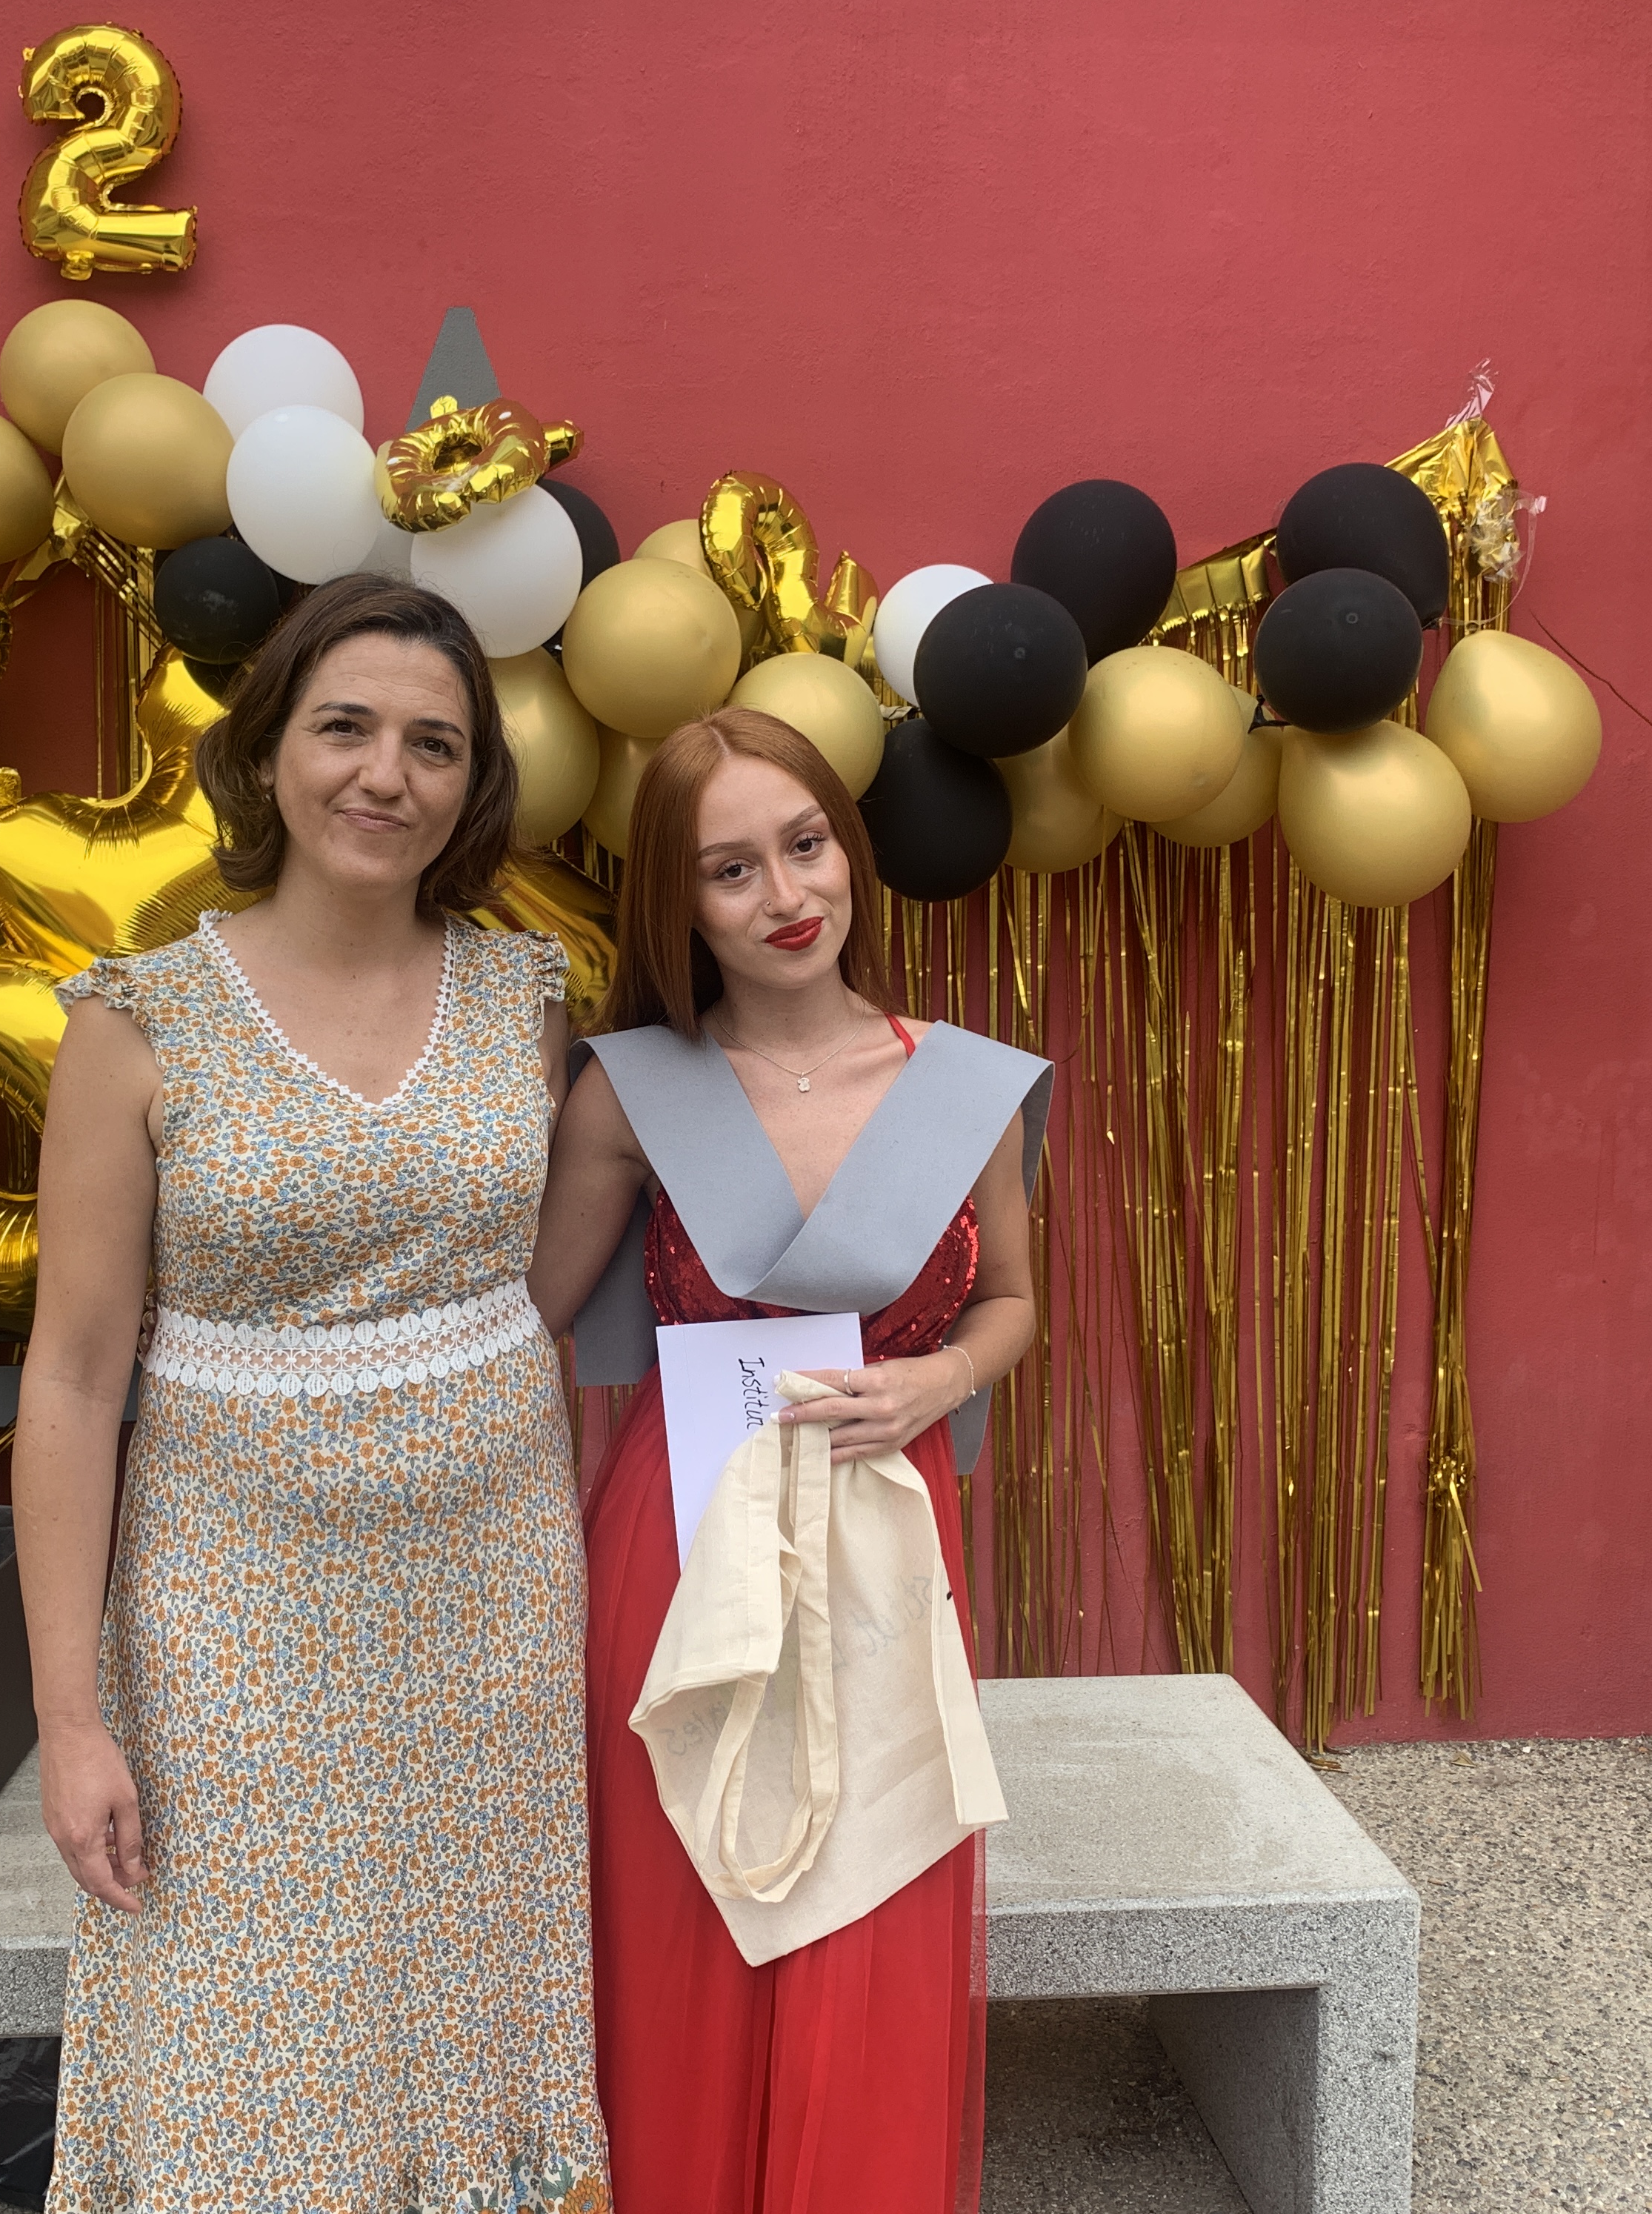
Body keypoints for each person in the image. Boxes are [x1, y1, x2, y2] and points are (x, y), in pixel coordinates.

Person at [16, 575, 610, 2210]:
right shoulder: (137, 1024)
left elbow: (543, 1279)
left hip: (489, 1603)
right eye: (344, 727)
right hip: (233, 1611)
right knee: (240, 2013)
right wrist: (71, 1721)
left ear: (471, 787)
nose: (383, 775)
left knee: (466, 1997)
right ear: (269, 749)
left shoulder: (526, 997)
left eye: (435, 745)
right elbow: (71, 1377)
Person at [527, 708, 1048, 2213]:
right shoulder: (632, 1093)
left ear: (849, 848)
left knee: (869, 1885)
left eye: (805, 845)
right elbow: (529, 1321)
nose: (785, 895)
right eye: (730, 869)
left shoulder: (962, 1085)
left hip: (886, 1526)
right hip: (679, 1539)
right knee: (686, 1906)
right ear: (678, 906)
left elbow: (1014, 1305)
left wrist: (939, 1378)